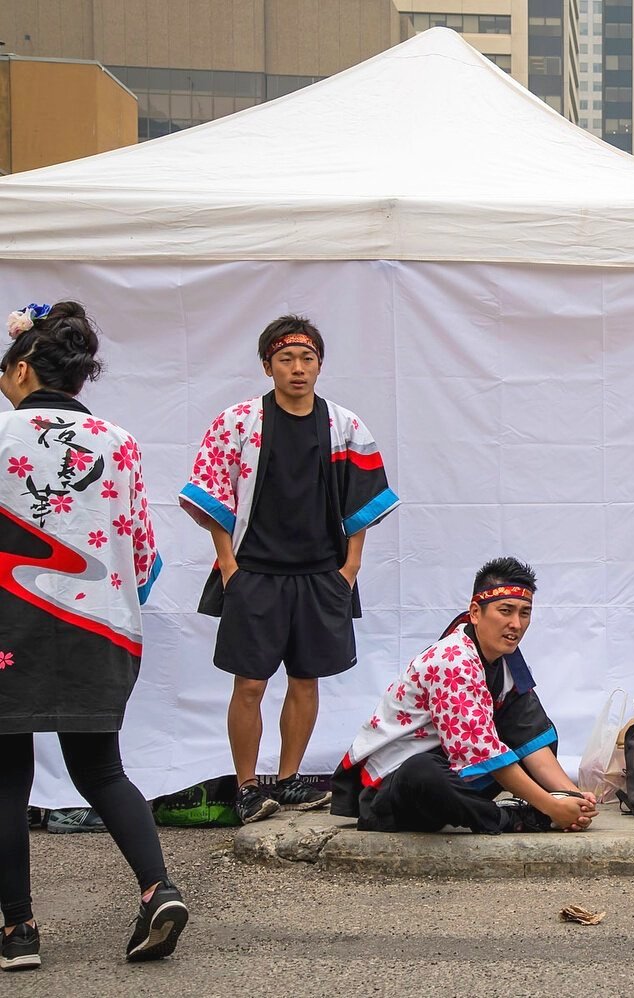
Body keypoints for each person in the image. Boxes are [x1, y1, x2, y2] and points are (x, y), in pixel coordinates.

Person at [0, 302, 187, 971]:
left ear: (21, 369)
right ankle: (156, 889)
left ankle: (18, 931)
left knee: (5, 778)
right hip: (98, 626)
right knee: (102, 769)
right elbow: (142, 553)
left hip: (8, 623)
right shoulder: (118, 443)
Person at [178, 316, 399, 825]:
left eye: (307, 358)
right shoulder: (237, 423)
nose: (298, 369)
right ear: (267, 366)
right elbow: (212, 493)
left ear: (320, 364)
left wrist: (351, 565)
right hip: (253, 568)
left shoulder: (345, 425)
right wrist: (229, 564)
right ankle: (247, 786)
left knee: (306, 679)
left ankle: (289, 777)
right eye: (286, 359)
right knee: (249, 684)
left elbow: (362, 499)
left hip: (323, 570)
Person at [330, 557, 596, 834]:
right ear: (475, 612)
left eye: (524, 613)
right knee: (421, 771)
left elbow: (527, 734)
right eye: (505, 610)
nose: (516, 624)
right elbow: (481, 753)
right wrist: (551, 807)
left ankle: (525, 810)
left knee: (535, 732)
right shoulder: (452, 660)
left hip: (454, 774)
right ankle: (510, 818)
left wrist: (571, 797)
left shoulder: (508, 660)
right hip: (391, 790)